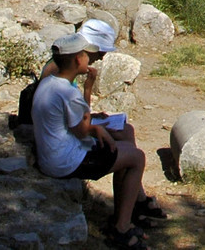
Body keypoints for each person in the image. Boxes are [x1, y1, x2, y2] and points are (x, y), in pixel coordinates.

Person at [32, 33, 157, 249]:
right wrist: (97, 126)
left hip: (54, 155)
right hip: (66, 161)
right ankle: (121, 228)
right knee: (137, 157)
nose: (90, 59)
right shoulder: (66, 93)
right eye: (86, 55)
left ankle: (122, 216)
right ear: (78, 60)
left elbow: (78, 121)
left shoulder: (50, 83)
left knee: (125, 150)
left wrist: (93, 119)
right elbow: (82, 130)